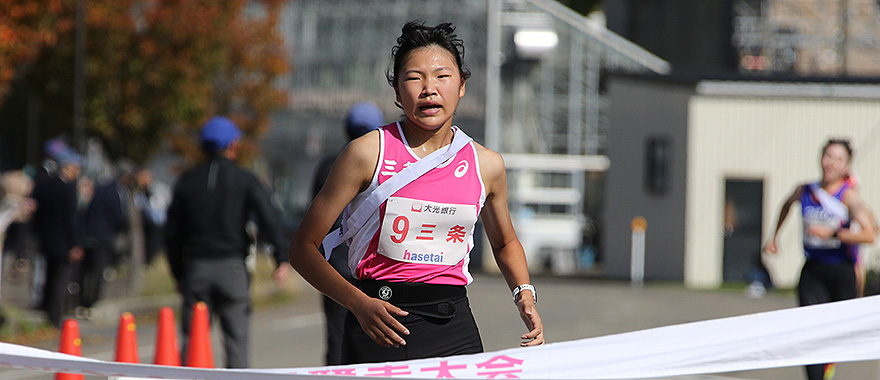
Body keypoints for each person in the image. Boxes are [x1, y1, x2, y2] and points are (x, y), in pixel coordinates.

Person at [289, 20, 543, 365]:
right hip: (378, 320)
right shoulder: (366, 153)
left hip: (453, 325)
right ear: (396, 92)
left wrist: (523, 292)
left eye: (442, 76)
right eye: (413, 78)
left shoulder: (487, 165)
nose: (429, 89)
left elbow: (505, 242)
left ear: (462, 85)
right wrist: (358, 304)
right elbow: (303, 249)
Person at [164, 116, 290, 368]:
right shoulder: (245, 179)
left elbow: (172, 233)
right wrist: (281, 256)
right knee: (236, 342)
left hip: (197, 268)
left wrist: (179, 272)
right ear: (233, 145)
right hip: (232, 269)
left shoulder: (187, 182)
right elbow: (270, 217)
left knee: (193, 341)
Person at [764, 138, 876, 380]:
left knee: (832, 336)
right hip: (813, 270)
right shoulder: (805, 190)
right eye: (828, 156)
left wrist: (834, 233)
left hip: (841, 273)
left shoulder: (849, 197)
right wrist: (775, 236)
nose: (831, 163)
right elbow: (786, 205)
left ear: (846, 166)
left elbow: (869, 234)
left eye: (838, 159)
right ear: (820, 158)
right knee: (809, 332)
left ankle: (828, 367)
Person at [312, 101, 384, 365]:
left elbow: (314, 218)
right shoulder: (383, 165)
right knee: (376, 336)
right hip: (372, 265)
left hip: (334, 264)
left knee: (336, 335)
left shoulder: (327, 165)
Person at [30, 139, 84, 327]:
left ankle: (44, 307)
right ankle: (55, 314)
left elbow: (35, 210)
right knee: (61, 279)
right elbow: (70, 218)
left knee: (48, 275)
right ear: (69, 168)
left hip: (46, 239)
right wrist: (74, 243)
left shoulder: (45, 185)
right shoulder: (67, 189)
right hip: (63, 241)